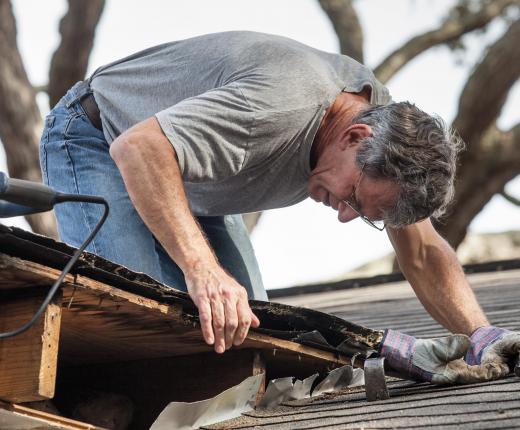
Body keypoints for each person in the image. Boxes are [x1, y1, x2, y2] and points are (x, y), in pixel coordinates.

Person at [39, 32, 518, 379]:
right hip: (101, 137)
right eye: (353, 198)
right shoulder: (276, 109)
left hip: (191, 172)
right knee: (142, 327)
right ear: (355, 137)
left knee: (249, 344)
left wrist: (481, 336)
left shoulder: (388, 131)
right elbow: (140, 149)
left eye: (363, 215)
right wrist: (203, 269)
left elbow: (422, 251)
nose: (345, 213)